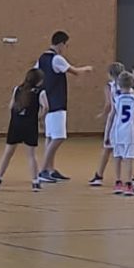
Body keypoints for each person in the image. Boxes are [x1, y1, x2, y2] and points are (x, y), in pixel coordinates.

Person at [37, 31, 93, 183]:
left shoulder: (41, 58)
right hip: (57, 103)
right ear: (61, 44)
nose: (66, 48)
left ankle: (50, 169)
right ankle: (43, 170)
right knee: (59, 137)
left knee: (50, 137)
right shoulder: (57, 59)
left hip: (48, 102)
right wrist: (86, 69)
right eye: (66, 45)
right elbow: (74, 71)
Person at [0, 68, 47, 192]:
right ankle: (35, 182)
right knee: (31, 155)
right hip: (30, 126)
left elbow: (11, 106)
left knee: (7, 153)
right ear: (39, 81)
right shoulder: (40, 92)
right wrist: (40, 118)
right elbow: (46, 107)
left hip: (15, 125)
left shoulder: (17, 89)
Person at [89, 63, 126, 187]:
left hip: (115, 119)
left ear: (110, 74)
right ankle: (128, 178)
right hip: (126, 121)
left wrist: (102, 114)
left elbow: (109, 104)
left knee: (107, 147)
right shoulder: (128, 87)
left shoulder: (110, 86)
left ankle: (99, 176)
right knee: (125, 150)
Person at [108, 70, 134, 197]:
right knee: (128, 159)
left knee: (117, 157)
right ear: (132, 83)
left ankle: (118, 183)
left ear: (118, 84)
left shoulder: (116, 99)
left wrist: (107, 134)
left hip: (118, 132)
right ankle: (128, 184)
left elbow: (111, 117)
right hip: (130, 133)